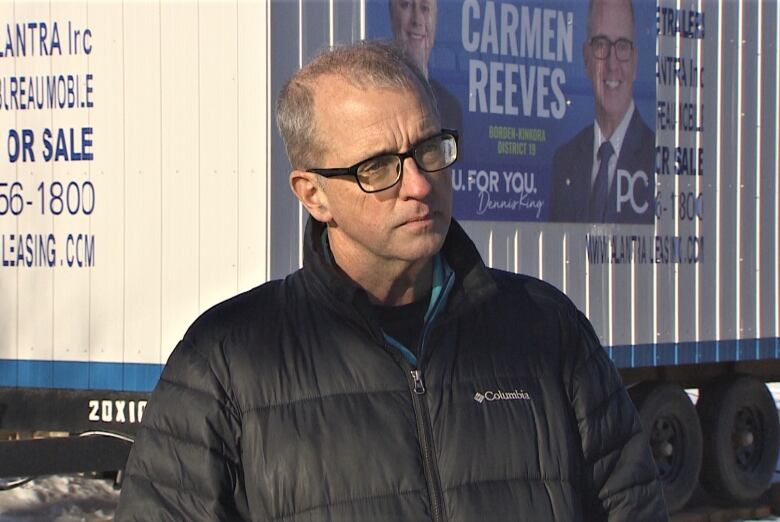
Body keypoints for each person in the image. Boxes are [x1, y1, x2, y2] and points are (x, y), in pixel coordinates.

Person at [116, 41, 667, 521]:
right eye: (378, 167)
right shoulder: (226, 363)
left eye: (429, 150)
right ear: (314, 194)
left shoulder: (546, 328)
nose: (420, 186)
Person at [550, 0, 655, 224]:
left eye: (623, 46)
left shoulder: (656, 161)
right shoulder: (564, 161)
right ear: (586, 57)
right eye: (601, 45)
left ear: (635, 62)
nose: (612, 63)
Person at [389, 0, 462, 133]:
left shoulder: (451, 108)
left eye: (425, 8)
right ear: (392, 15)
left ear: (435, 20)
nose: (416, 20)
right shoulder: (377, 98)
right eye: (406, 5)